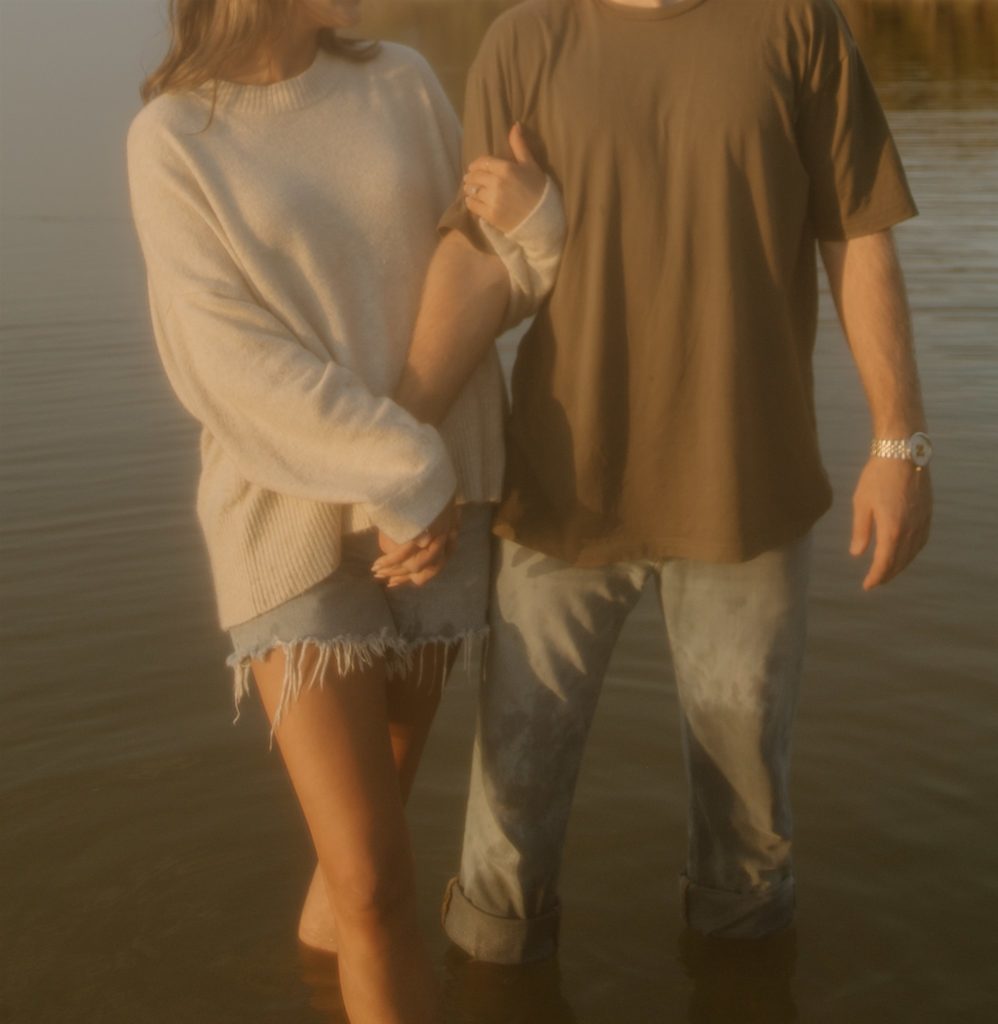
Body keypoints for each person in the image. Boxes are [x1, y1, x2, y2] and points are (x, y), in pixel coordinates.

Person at [387, 0, 934, 963]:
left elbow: (857, 232)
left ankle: (745, 985)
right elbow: (481, 261)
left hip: (747, 496)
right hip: (560, 498)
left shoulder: (796, 24)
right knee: (507, 838)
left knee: (748, 845)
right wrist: (389, 453)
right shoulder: (524, 40)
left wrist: (900, 442)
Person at [126, 1, 564, 1020]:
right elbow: (226, 367)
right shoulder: (174, 138)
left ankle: (314, 986)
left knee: (369, 862)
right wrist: (403, 469)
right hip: (296, 525)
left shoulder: (402, 81)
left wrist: (539, 225)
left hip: (430, 522)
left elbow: (484, 269)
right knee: (374, 877)